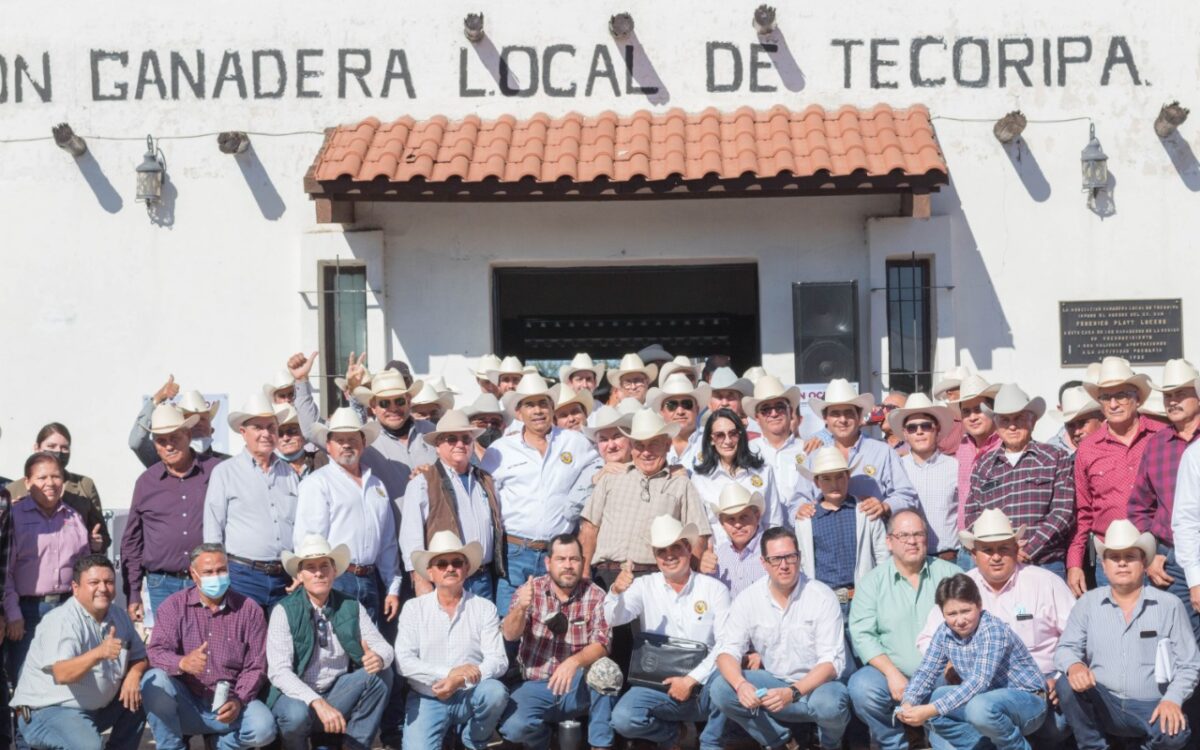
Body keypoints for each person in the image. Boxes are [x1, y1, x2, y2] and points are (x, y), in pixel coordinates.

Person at [916, 509, 1076, 746]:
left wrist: (1060, 677)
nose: (996, 557)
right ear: (973, 554)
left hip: (1039, 689)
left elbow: (1076, 638)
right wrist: (952, 660)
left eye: (1003, 548)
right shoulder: (962, 587)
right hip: (980, 690)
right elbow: (928, 638)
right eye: (987, 550)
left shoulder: (1045, 582)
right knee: (938, 702)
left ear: (1015, 549)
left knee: (1058, 724)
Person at [1055, 519, 1199, 750]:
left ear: (1143, 562)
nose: (1122, 563)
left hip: (1152, 705)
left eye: (1130, 556)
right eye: (1114, 557)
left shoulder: (1169, 604)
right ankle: (1094, 747)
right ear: (1104, 565)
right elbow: (1065, 649)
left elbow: (1190, 664)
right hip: (1105, 701)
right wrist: (1074, 666)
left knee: (1175, 735)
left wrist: (1173, 699)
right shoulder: (1088, 603)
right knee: (1066, 683)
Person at [710, 527, 850, 750]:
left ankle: (830, 744)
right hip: (773, 684)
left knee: (831, 703)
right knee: (720, 688)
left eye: (789, 557)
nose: (784, 565)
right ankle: (782, 742)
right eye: (775, 559)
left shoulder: (822, 596)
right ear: (763, 563)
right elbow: (727, 651)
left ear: (799, 558)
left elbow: (831, 663)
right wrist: (741, 685)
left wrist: (792, 692)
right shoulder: (748, 598)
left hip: (818, 687)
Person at [607, 515, 731, 750]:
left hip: (705, 686)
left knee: (728, 679)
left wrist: (690, 680)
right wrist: (615, 591)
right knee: (623, 718)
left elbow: (726, 645)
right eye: (662, 550)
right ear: (655, 556)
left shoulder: (715, 589)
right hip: (657, 686)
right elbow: (613, 619)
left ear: (688, 548)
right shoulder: (644, 586)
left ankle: (710, 744)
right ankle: (672, 736)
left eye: (676, 547)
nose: (670, 555)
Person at [481, 373, 600, 614]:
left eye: (543, 403)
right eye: (530, 405)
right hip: (514, 552)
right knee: (510, 624)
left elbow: (598, 467)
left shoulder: (574, 442)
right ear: (518, 413)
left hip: (559, 552)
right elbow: (482, 492)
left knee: (557, 625)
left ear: (552, 408)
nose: (537, 411)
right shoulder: (500, 450)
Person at [140, 542, 275, 750]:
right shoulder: (174, 606)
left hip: (230, 702)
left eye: (221, 570)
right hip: (187, 702)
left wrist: (239, 700)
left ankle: (222, 744)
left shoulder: (249, 609)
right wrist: (182, 662)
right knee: (153, 680)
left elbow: (256, 666)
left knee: (263, 729)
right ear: (194, 575)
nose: (216, 576)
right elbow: (156, 652)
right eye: (208, 572)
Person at [266, 535, 394, 750]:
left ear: (334, 571)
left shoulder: (350, 605)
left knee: (383, 673)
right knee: (295, 716)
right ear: (300, 574)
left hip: (335, 692)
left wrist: (379, 658)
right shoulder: (284, 610)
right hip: (296, 696)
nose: (318, 573)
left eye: (324, 565)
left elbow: (384, 647)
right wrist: (316, 702)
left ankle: (354, 746)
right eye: (310, 567)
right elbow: (279, 672)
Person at [846, 509, 960, 750]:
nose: (912, 541)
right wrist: (891, 673)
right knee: (861, 687)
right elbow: (863, 634)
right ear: (889, 541)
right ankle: (895, 742)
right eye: (904, 535)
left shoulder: (951, 574)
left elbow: (971, 625)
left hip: (942, 672)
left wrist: (956, 662)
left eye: (918, 534)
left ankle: (939, 738)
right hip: (892, 672)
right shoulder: (872, 582)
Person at [10, 554, 147, 750]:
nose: (102, 588)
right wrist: (99, 653)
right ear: (76, 588)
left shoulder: (118, 615)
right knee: (89, 747)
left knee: (148, 687)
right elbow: (62, 673)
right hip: (48, 711)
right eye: (94, 582)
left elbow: (140, 656)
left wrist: (134, 675)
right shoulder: (61, 620)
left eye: (108, 582)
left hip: (94, 710)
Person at [897, 574, 1047, 750]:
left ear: (979, 605)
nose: (960, 621)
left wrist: (931, 710)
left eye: (966, 611)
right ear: (942, 612)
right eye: (951, 614)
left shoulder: (992, 629)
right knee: (923, 700)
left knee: (977, 707)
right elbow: (926, 671)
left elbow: (979, 681)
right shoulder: (944, 632)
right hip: (986, 701)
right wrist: (908, 702)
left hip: (1028, 701)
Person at [498, 533, 615, 750]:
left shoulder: (596, 595)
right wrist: (520, 608)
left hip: (577, 685)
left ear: (582, 562)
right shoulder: (530, 590)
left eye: (574, 559)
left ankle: (600, 744)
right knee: (514, 728)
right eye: (561, 559)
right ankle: (540, 738)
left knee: (607, 670)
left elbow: (603, 643)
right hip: (535, 683)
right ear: (548, 562)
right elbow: (509, 634)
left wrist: (573, 662)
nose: (568, 565)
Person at [395, 531, 508, 750]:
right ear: (430, 572)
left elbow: (499, 660)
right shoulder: (413, 608)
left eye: (456, 562)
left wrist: (459, 681)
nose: (450, 568)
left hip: (469, 694)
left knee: (495, 692)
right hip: (428, 697)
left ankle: (473, 741)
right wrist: (449, 674)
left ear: (466, 568)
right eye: (441, 564)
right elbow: (403, 661)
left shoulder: (484, 608)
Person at [293, 407, 400, 626]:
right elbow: (309, 538)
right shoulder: (317, 483)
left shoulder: (377, 485)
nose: (346, 444)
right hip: (335, 579)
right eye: (339, 439)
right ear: (329, 446)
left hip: (370, 579)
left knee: (368, 653)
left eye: (352, 438)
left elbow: (387, 541)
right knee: (336, 653)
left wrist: (393, 586)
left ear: (363, 443)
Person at [580, 409, 711, 585]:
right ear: (632, 447)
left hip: (654, 577)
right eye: (640, 445)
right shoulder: (611, 478)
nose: (646, 452)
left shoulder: (681, 483)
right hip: (604, 573)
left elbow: (699, 535)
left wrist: (688, 579)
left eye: (654, 444)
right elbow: (590, 528)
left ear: (667, 445)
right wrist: (584, 571)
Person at [1069, 356, 1165, 595]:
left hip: (1160, 556)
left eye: (1121, 395)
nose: (1113, 404)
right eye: (1105, 397)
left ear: (1137, 398)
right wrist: (1074, 563)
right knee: (1116, 628)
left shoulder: (1161, 436)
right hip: (1111, 560)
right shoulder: (1088, 449)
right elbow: (1083, 512)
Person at [121, 404, 225, 623]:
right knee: (168, 650)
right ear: (155, 445)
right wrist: (133, 593)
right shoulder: (146, 482)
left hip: (210, 579)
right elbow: (132, 541)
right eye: (161, 440)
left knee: (213, 645)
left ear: (187, 435)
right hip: (162, 584)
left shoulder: (218, 471)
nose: (168, 445)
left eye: (174, 437)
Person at [6, 452, 102, 686]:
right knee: (26, 680)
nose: (50, 483)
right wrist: (12, 614)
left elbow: (84, 568)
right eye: (42, 478)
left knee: (65, 681)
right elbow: (4, 571)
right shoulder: (13, 517)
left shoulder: (74, 517)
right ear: (27, 483)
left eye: (56, 476)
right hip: (27, 613)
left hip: (66, 609)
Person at [962, 384, 1074, 578]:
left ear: (1033, 421)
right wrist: (999, 551)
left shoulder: (1055, 457)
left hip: (1045, 564)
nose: (1012, 426)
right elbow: (972, 514)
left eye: (1019, 419)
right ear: (996, 424)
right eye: (1005, 420)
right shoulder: (983, 466)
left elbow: (1063, 512)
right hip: (997, 566)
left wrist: (1028, 549)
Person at [203, 393, 298, 608]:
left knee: (282, 640)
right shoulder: (225, 473)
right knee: (244, 640)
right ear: (243, 433)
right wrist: (215, 577)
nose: (266, 433)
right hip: (242, 576)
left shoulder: (290, 474)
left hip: (284, 578)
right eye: (258, 427)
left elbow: (299, 525)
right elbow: (213, 529)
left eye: (271, 427)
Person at [400, 411, 505, 602]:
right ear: (438, 447)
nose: (459, 444)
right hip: (446, 578)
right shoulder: (422, 482)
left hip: (484, 578)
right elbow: (411, 536)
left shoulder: (486, 480)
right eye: (451, 439)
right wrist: (420, 579)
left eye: (466, 439)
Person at [1133, 359, 1200, 637]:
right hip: (1171, 559)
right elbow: (1138, 507)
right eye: (1168, 396)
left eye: (1180, 394)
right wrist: (1151, 555)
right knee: (1181, 641)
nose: (1172, 401)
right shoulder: (1156, 445)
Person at [795, 378, 919, 522]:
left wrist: (885, 506)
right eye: (835, 413)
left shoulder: (883, 452)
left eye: (848, 413)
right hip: (826, 540)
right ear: (825, 418)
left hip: (874, 539)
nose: (842, 419)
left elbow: (907, 495)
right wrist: (801, 508)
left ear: (859, 416)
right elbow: (798, 499)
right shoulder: (814, 457)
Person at [793, 447, 888, 606]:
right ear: (816, 482)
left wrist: (882, 594)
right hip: (822, 601)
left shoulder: (865, 511)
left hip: (863, 599)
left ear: (848, 477)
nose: (834, 484)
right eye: (826, 479)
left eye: (839, 477)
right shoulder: (806, 520)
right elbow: (802, 563)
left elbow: (883, 555)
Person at [7, 422, 109, 553]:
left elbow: (102, 534)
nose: (58, 452)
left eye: (64, 447)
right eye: (51, 446)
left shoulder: (84, 485)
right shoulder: (13, 489)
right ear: (37, 448)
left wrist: (97, 543)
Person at [691, 408, 784, 545]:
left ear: (741, 435)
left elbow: (773, 521)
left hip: (758, 556)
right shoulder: (699, 479)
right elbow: (699, 529)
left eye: (733, 434)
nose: (728, 441)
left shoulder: (764, 471)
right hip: (718, 559)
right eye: (720, 435)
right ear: (711, 439)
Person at [889, 394, 960, 560]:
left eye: (926, 426)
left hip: (949, 558)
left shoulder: (955, 467)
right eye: (912, 428)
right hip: (907, 559)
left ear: (937, 429)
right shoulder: (896, 468)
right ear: (905, 434)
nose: (919, 431)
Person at [948, 375, 1002, 554]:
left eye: (979, 409)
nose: (972, 417)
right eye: (966, 411)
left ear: (993, 410)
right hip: (967, 545)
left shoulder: (1006, 445)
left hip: (999, 544)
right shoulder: (962, 447)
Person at [746, 376, 808, 509]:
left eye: (780, 407)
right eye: (766, 410)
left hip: (800, 526)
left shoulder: (807, 450)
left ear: (790, 412)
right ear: (757, 417)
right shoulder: (746, 452)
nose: (773, 414)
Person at [129, 386, 229, 468]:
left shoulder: (226, 463)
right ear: (182, 429)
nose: (198, 423)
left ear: (212, 430)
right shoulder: (164, 459)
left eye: (203, 419)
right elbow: (136, 442)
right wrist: (156, 400)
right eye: (190, 419)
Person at [698, 483, 768, 598]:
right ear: (722, 523)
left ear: (757, 515)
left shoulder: (773, 549)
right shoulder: (718, 555)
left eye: (744, 517)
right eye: (730, 519)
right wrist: (702, 576)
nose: (738, 524)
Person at [648, 372, 709, 472]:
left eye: (687, 404)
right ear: (662, 412)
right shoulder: (651, 444)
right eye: (672, 405)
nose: (680, 412)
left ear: (697, 410)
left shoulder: (713, 439)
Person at [275, 404, 328, 479]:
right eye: (279, 433)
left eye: (292, 431)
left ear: (303, 434)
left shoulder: (321, 460)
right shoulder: (270, 467)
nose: (286, 438)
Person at [1048, 384, 1103, 455]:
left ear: (1100, 418)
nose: (1077, 432)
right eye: (1070, 425)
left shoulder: (1118, 447)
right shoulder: (1053, 454)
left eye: (1082, 423)